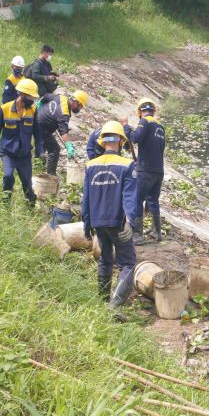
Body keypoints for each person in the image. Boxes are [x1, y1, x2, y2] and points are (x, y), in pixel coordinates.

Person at [82, 121, 137, 307]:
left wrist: (86, 224)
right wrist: (130, 221)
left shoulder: (90, 165)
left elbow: (86, 199)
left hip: (98, 222)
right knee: (127, 263)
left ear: (102, 141)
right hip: (118, 222)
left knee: (105, 260)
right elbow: (129, 197)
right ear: (121, 141)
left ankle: (102, 301)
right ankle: (114, 306)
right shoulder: (127, 165)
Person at [0, 78, 41, 206]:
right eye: (31, 98)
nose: (33, 101)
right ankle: (5, 203)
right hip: (8, 153)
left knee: (27, 183)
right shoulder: (5, 109)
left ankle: (31, 205)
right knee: (9, 176)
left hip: (24, 155)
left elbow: (37, 133)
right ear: (22, 95)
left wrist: (40, 150)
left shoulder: (32, 110)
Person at [122, 99, 165, 245]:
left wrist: (126, 127)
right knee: (153, 200)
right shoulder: (160, 126)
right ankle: (157, 232)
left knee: (137, 199)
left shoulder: (145, 121)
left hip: (145, 170)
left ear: (140, 111)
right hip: (158, 170)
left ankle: (138, 235)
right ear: (153, 110)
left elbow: (135, 138)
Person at [35, 89, 89, 175]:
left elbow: (46, 96)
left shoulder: (60, 97)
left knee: (42, 147)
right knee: (55, 149)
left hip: (36, 119)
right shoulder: (64, 114)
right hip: (41, 128)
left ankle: (37, 167)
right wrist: (68, 146)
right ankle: (51, 175)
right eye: (80, 106)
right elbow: (63, 132)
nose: (80, 109)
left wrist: (40, 103)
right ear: (76, 102)